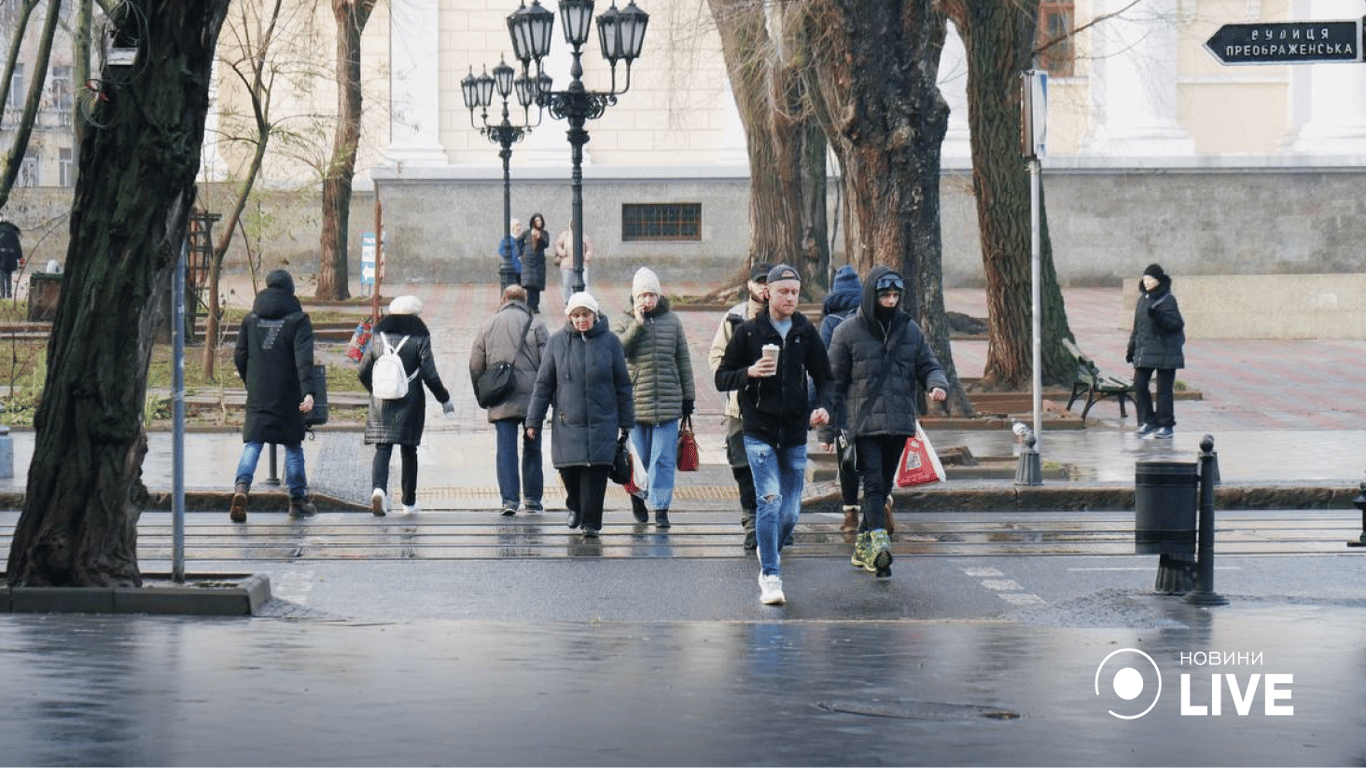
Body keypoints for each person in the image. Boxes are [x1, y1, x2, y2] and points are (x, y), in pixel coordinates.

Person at [716, 264, 832, 606]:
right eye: (784, 291)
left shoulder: (805, 333)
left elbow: (826, 378)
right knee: (769, 500)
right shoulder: (749, 332)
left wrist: (823, 407)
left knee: (790, 513)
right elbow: (722, 377)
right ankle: (770, 575)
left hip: (795, 432)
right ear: (768, 293)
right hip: (759, 431)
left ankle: (769, 553)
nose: (790, 298)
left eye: (795, 292)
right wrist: (748, 372)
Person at [827, 266, 948, 578]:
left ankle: (861, 548)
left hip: (899, 422)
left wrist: (937, 385)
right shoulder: (847, 332)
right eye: (885, 296)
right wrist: (827, 429)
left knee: (884, 485)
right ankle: (879, 545)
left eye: (896, 295)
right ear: (872, 296)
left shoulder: (910, 330)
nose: (891, 301)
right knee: (875, 484)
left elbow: (928, 364)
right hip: (864, 425)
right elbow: (834, 384)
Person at [525, 292, 634, 538]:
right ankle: (574, 504)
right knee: (570, 472)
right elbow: (543, 385)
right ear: (569, 317)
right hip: (567, 423)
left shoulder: (611, 343)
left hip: (602, 422)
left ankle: (592, 524)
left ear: (595, 315)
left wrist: (627, 422)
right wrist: (533, 419)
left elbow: (623, 385)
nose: (581, 319)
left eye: (585, 315)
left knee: (596, 474)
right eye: (576, 315)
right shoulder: (556, 343)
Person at [229, 269, 321, 522]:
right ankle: (297, 501)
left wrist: (252, 381)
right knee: (292, 446)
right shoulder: (298, 320)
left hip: (259, 393)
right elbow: (304, 360)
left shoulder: (251, 319)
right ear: (290, 291)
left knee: (253, 443)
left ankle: (241, 490)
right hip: (288, 394)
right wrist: (309, 393)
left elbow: (239, 355)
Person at [359, 295, 455, 516]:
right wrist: (444, 398)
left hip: (381, 401)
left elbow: (363, 370)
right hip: (410, 402)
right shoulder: (420, 336)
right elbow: (430, 374)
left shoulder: (378, 334)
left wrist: (376, 390)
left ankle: (379, 490)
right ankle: (408, 502)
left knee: (382, 447)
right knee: (409, 449)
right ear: (415, 315)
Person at [614, 267, 695, 529]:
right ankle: (637, 498)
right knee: (637, 459)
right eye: (642, 295)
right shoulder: (625, 320)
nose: (647, 300)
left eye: (651, 295)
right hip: (636, 403)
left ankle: (661, 508)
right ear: (634, 297)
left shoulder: (672, 321)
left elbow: (683, 359)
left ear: (659, 296)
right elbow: (619, 352)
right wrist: (636, 324)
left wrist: (688, 397)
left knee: (663, 459)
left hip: (669, 401)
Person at [470, 284, 549, 516]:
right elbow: (549, 364)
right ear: (524, 301)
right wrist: (548, 396)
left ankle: (509, 500)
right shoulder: (537, 325)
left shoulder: (488, 325)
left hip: (501, 395)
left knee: (505, 448)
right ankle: (533, 499)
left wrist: (482, 393)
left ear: (503, 299)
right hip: (532, 399)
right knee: (533, 448)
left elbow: (475, 365)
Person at [707, 261, 770, 551]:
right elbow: (716, 358)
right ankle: (751, 523)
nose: (764, 287)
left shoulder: (785, 316)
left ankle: (773, 522)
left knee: (772, 467)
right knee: (744, 468)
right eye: (760, 281)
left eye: (769, 282)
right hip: (740, 408)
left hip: (775, 409)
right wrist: (741, 373)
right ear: (750, 285)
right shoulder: (734, 318)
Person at [816, 265, 863, 534]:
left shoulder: (831, 323)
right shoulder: (872, 319)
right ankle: (879, 501)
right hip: (872, 403)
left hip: (843, 406)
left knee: (847, 459)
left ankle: (849, 510)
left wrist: (825, 430)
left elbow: (822, 374)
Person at [1127, 263, 1186, 440]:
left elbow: (1176, 324)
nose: (1146, 282)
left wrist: (1159, 316)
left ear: (1158, 281)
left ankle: (1165, 424)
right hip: (1146, 351)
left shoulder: (1167, 300)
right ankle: (1147, 421)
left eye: (1150, 279)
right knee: (1139, 383)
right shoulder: (1142, 300)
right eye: (1144, 279)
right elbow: (1137, 327)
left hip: (1167, 351)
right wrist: (1131, 348)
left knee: (1164, 389)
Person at [554, 222, 593, 303]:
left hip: (582, 264)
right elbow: (557, 245)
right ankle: (567, 300)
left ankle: (584, 301)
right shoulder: (565, 235)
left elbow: (590, 248)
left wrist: (587, 256)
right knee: (567, 284)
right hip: (567, 264)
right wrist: (562, 252)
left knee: (584, 283)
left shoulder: (583, 235)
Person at [518, 213, 549, 313]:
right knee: (530, 284)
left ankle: (534, 305)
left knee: (536, 285)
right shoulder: (527, 233)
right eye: (537, 221)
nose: (539, 223)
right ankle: (530, 305)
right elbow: (518, 241)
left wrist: (540, 238)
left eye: (540, 220)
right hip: (528, 263)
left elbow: (546, 244)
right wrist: (521, 252)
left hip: (539, 263)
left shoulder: (544, 233)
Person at [498, 219, 525, 286]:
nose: (519, 228)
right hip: (511, 267)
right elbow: (501, 250)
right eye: (517, 226)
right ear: (512, 228)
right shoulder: (507, 239)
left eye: (519, 225)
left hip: (522, 268)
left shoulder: (522, 239)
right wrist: (511, 257)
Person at [0, 221, 21, 299]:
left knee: (1, 276)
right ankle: (8, 294)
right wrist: (21, 261)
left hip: (1, 257)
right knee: (8, 276)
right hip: (11, 258)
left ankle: (2, 294)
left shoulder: (1, 231)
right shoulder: (14, 234)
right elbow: (18, 249)